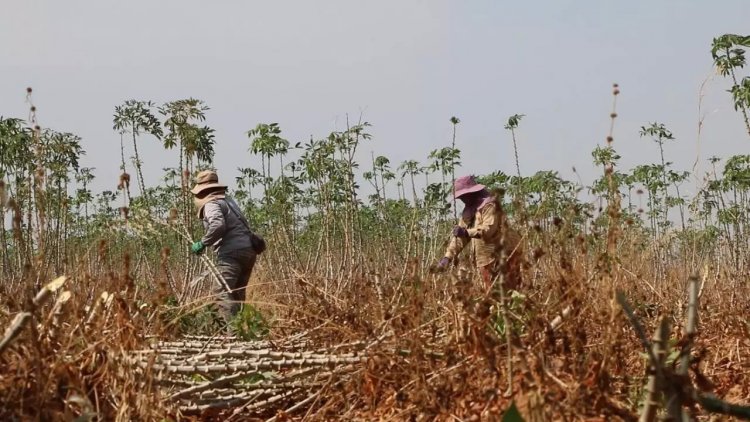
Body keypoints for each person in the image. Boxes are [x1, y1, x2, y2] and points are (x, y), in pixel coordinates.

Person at [190, 170, 258, 332]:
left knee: (221, 291)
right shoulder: (229, 201)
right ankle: (242, 332)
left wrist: (203, 242)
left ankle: (233, 334)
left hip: (232, 253)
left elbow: (218, 225)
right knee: (236, 294)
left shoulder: (211, 204)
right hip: (248, 251)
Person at [436, 175, 523, 292]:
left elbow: (488, 230)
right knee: (493, 291)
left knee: (511, 289)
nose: (462, 199)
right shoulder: (469, 211)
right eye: (460, 197)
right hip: (485, 258)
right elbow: (460, 237)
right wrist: (448, 256)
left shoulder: (490, 205)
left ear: (472, 193)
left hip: (505, 253)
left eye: (464, 196)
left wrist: (466, 232)